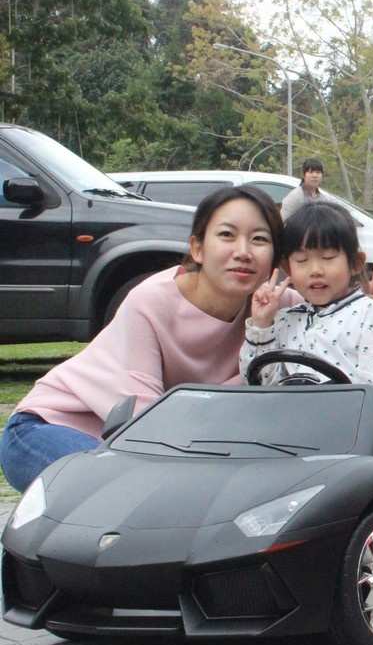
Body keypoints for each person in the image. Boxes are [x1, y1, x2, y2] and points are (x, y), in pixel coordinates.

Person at [2, 187, 293, 492]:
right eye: (226, 235)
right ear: (197, 248)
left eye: (259, 239)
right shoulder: (152, 302)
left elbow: (336, 308)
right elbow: (147, 425)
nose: (243, 252)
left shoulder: (276, 304)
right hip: (56, 424)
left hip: (144, 448)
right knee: (135, 493)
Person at [240, 201, 373, 398]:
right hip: (286, 421)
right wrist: (262, 325)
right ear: (288, 268)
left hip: (346, 423)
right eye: (302, 261)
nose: (316, 270)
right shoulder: (284, 320)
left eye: (328, 257)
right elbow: (256, 383)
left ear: (356, 264)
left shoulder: (369, 315)